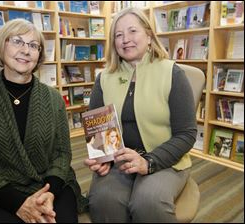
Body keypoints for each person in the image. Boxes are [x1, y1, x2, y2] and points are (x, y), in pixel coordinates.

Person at [0, 19, 87, 223]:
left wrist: (49, 193)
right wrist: (19, 204)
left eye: (33, 45)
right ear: (2, 45)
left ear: (39, 54)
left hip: (49, 185)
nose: (26, 50)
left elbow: (62, 153)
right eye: (17, 41)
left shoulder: (54, 99)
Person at [84, 7, 197, 223]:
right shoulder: (104, 78)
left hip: (164, 159)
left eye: (132, 31)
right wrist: (101, 157)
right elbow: (97, 130)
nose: (125, 39)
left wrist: (149, 161)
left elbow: (187, 134)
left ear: (148, 35)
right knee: (103, 200)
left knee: (149, 201)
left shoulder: (172, 73)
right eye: (118, 35)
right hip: (120, 160)